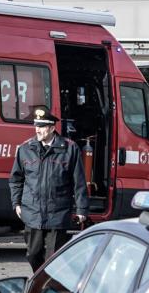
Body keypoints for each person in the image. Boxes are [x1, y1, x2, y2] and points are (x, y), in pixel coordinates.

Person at [9, 105, 89, 272]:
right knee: (32, 254)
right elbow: (16, 179)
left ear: (52, 128)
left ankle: (46, 287)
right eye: (36, 126)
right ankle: (42, 281)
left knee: (52, 258)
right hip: (32, 213)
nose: (38, 130)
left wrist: (81, 209)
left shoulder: (69, 148)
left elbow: (79, 182)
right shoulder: (25, 148)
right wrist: (16, 203)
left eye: (42, 126)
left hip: (57, 213)